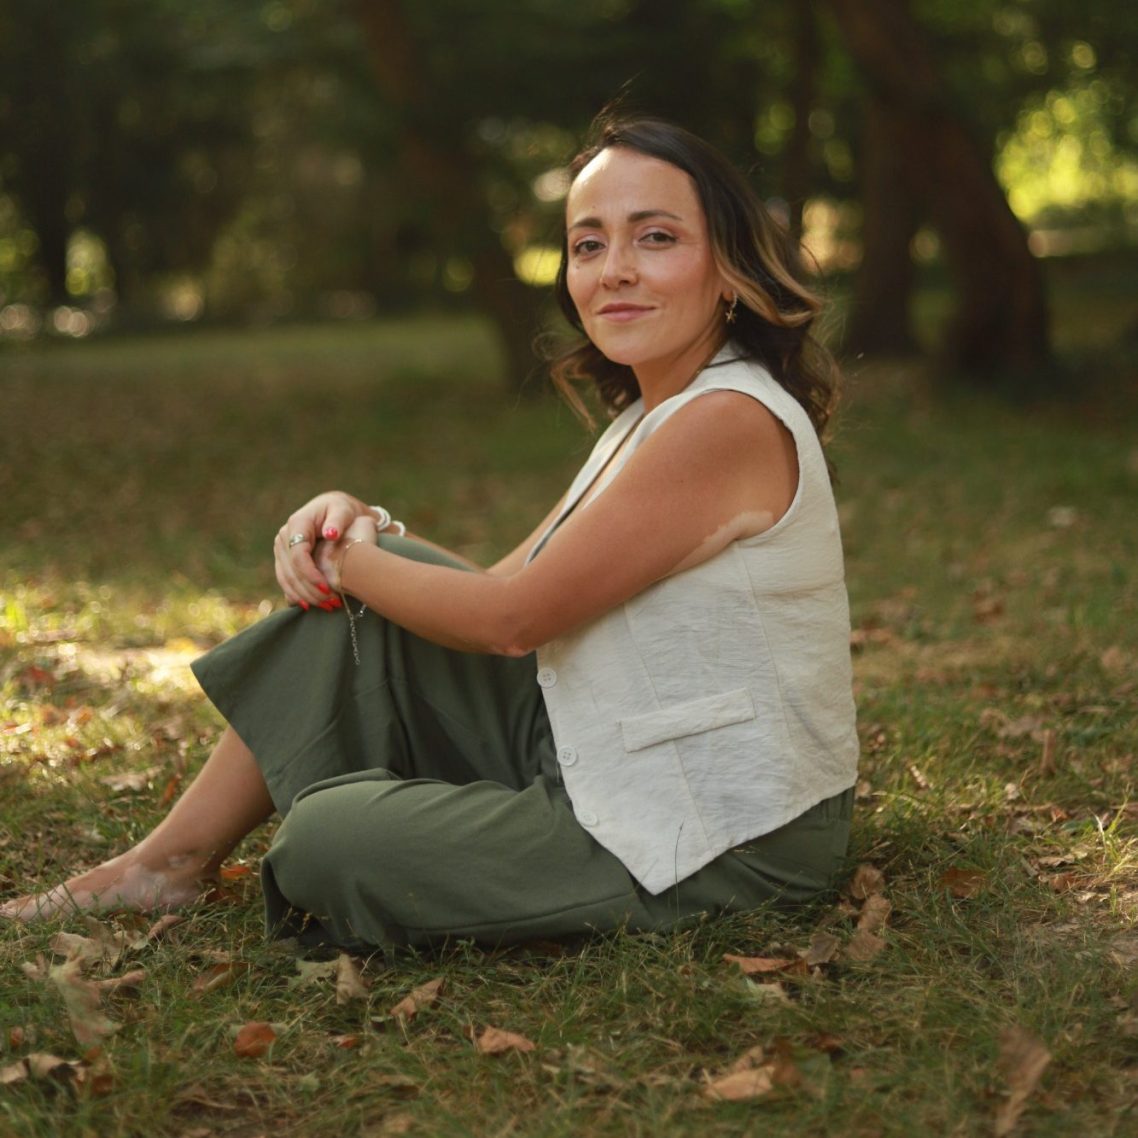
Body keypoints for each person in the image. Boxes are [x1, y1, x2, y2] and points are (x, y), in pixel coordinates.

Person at [2, 115, 859, 950]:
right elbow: (500, 587)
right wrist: (366, 527)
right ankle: (164, 865)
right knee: (375, 593)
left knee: (329, 841)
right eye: (589, 244)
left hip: (720, 829)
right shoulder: (656, 413)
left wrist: (345, 559)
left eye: (657, 238)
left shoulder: (724, 421)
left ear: (729, 267)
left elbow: (510, 621)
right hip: (609, 746)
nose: (615, 271)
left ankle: (351, 828)